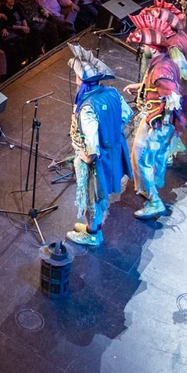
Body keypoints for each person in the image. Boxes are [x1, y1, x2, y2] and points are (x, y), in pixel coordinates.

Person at [123, 1, 187, 219]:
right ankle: (154, 187)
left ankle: (154, 200)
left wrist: (160, 121)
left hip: (157, 122)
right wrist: (142, 88)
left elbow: (171, 94)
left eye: (143, 45)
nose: (141, 49)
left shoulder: (161, 68)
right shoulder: (164, 60)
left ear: (152, 47)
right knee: (153, 157)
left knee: (140, 157)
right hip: (161, 122)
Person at [65, 44, 131, 247]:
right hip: (113, 151)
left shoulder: (87, 107)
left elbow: (91, 142)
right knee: (100, 195)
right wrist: (111, 133)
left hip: (97, 159)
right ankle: (93, 228)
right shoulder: (112, 93)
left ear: (81, 80)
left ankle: (93, 234)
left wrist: (86, 156)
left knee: (92, 195)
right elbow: (127, 114)